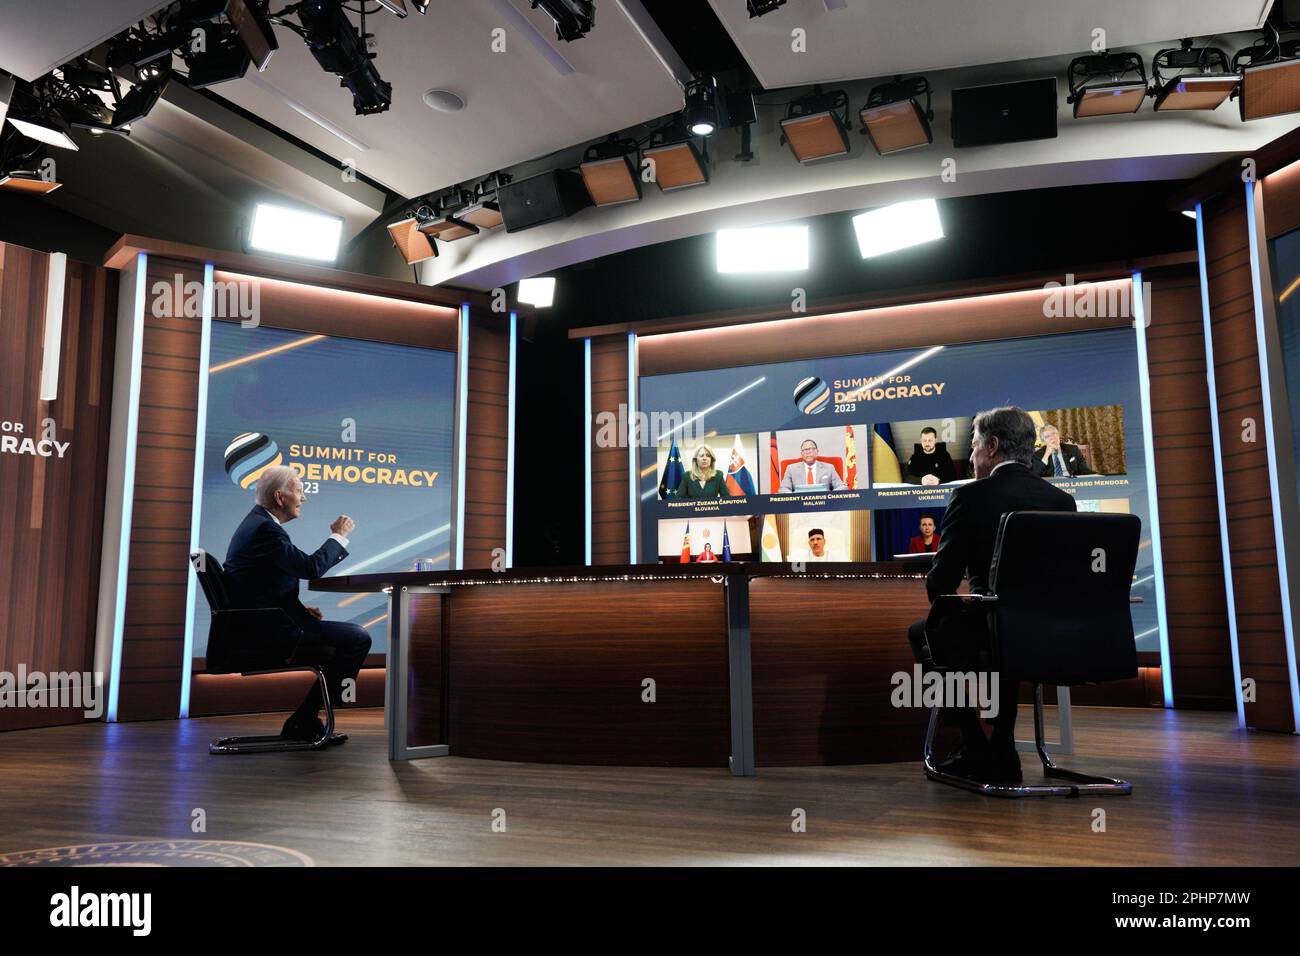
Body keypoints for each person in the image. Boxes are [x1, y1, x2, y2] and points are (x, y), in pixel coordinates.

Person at [906, 407, 1076, 784]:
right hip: (1057, 639)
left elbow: (940, 586)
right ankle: (1001, 747)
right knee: (1005, 632)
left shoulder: (972, 497)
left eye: (974, 446)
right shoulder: (1062, 502)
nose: (970, 457)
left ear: (993, 446)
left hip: (997, 633)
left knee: (926, 631)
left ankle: (975, 745)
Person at [222, 465, 371, 745]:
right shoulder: (265, 530)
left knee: (342, 643)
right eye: (299, 491)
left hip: (264, 625)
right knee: (357, 638)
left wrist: (299, 609)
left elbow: (260, 586)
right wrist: (339, 535)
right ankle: (309, 717)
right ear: (280, 497)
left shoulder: (257, 524)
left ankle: (304, 720)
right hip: (268, 634)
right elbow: (311, 567)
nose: (304, 498)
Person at [780, 439, 848, 492]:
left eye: (811, 449)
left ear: (817, 451)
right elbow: (783, 489)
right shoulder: (791, 469)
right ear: (801, 453)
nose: (808, 452)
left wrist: (829, 496)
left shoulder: (829, 468)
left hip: (825, 504)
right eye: (805, 450)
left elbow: (841, 487)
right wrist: (794, 498)